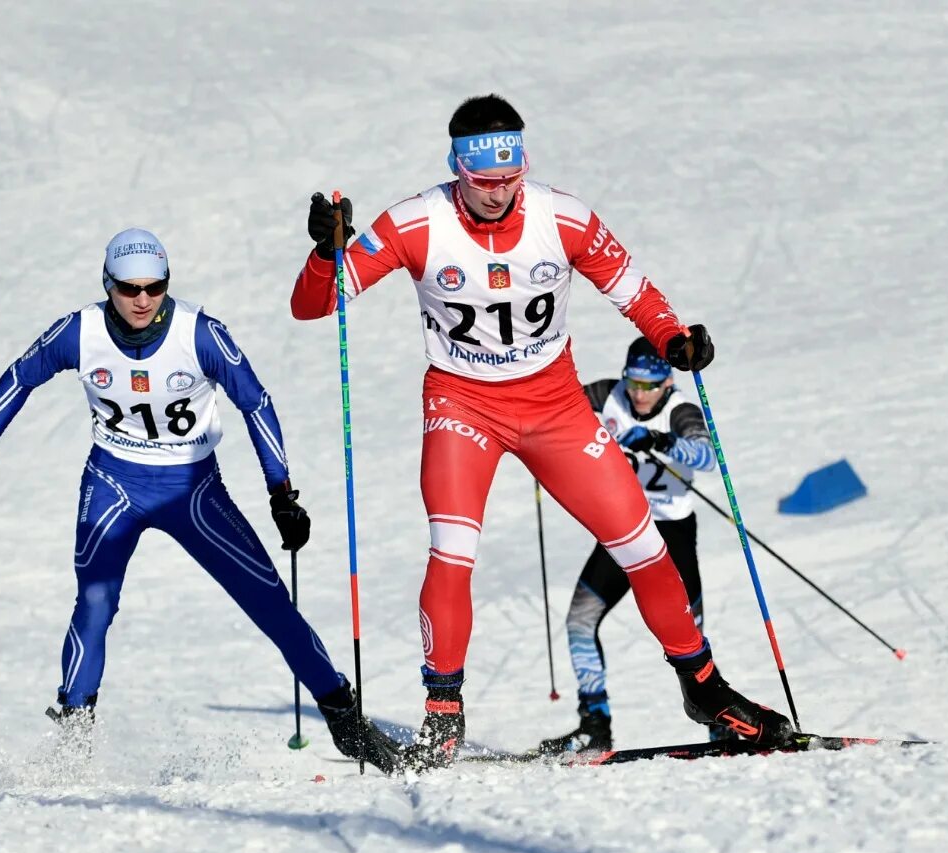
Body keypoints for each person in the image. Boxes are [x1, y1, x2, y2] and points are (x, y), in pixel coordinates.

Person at [292, 95, 792, 769]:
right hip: (462, 404)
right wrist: (328, 252)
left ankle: (706, 691)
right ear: (457, 170)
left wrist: (675, 340)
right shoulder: (416, 221)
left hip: (555, 405)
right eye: (482, 180)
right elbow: (314, 306)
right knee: (452, 547)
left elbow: (635, 290)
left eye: (509, 177)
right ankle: (443, 712)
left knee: (643, 543)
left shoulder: (564, 217)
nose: (497, 193)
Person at [0, 228, 401, 774]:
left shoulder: (198, 333)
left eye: (154, 288)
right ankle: (73, 737)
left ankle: (348, 724)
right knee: (94, 604)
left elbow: (256, 403)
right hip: (113, 484)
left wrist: (281, 493)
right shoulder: (81, 331)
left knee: (270, 603)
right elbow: (19, 378)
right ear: (108, 284)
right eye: (129, 288)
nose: (141, 300)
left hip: (191, 490)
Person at [539, 337, 720, 753]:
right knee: (580, 622)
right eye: (634, 383)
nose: (640, 394)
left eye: (650, 385)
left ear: (668, 383)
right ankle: (594, 725)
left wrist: (661, 442)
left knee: (690, 636)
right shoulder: (605, 394)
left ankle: (720, 721)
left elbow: (708, 457)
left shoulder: (681, 410)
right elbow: (551, 409)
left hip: (671, 532)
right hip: (621, 528)